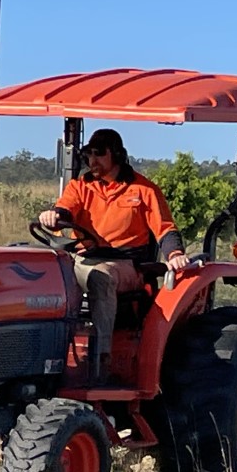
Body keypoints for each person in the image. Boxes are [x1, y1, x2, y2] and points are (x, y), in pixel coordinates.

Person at [38, 128, 189, 383]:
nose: (92, 161)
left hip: (125, 266)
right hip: (83, 259)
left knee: (101, 277)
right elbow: (65, 211)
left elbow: (165, 229)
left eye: (99, 154)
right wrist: (53, 217)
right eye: (88, 155)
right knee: (41, 271)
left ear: (116, 155)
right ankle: (44, 354)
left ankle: (99, 363)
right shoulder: (81, 186)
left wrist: (174, 254)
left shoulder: (144, 190)